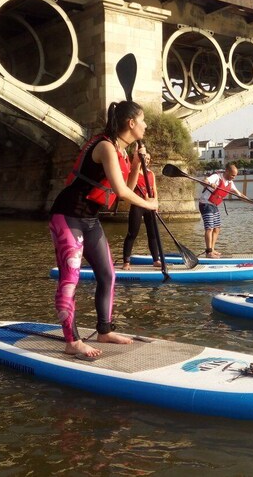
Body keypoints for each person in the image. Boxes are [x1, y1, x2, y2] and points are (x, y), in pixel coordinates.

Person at [48, 100, 158, 358]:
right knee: (70, 279)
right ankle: (72, 341)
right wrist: (150, 204)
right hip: (68, 216)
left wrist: (137, 164)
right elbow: (121, 192)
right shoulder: (105, 147)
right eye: (142, 120)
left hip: (90, 219)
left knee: (108, 275)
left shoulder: (120, 151)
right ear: (131, 123)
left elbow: (124, 191)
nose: (146, 125)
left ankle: (104, 331)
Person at [122, 153, 160, 270]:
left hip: (150, 206)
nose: (146, 160)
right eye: (145, 158)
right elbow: (129, 189)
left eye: (148, 159)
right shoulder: (133, 174)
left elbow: (154, 191)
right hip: (137, 205)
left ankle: (156, 260)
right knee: (132, 233)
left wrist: (156, 205)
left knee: (153, 234)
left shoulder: (151, 174)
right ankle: (126, 262)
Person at [198, 162, 242, 257]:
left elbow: (240, 195)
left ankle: (212, 249)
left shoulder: (230, 183)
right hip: (205, 203)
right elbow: (203, 181)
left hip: (214, 205)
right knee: (209, 228)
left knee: (217, 229)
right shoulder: (216, 177)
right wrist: (210, 183)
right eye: (232, 175)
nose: (234, 177)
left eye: (235, 175)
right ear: (227, 171)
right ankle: (208, 252)